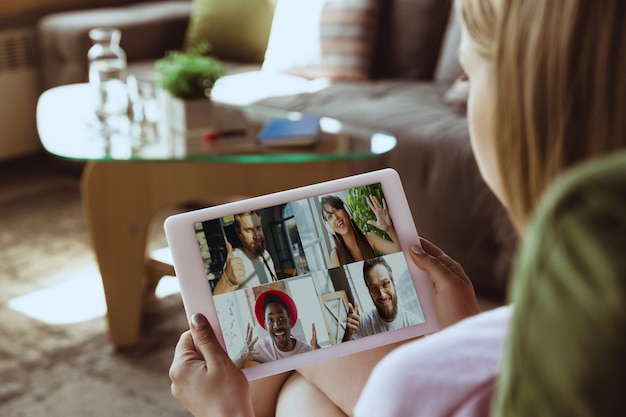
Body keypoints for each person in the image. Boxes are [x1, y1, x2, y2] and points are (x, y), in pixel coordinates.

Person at [169, 0, 626, 415]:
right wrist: (458, 339)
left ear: (526, 104)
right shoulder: (576, 328)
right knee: (300, 392)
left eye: (466, 73)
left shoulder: (408, 383)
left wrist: (226, 414)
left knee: (298, 386)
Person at [233, 290, 319, 368]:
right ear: (265, 326)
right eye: (270, 320)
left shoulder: (306, 351)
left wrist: (319, 351)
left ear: (289, 322)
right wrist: (241, 356)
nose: (277, 325)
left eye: (281, 318)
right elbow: (227, 373)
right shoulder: (258, 349)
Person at [343, 257, 421, 341]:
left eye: (385, 284)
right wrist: (348, 334)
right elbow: (343, 353)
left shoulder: (414, 323)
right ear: (369, 291)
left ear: (393, 283)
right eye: (374, 289)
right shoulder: (362, 324)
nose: (382, 295)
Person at [321, 194, 400, 267]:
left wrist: (389, 229)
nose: (335, 217)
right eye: (330, 217)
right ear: (329, 226)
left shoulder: (370, 239)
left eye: (336, 210)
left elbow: (399, 251)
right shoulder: (336, 256)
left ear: (347, 211)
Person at [213, 211, 277, 295]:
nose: (256, 236)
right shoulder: (235, 260)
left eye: (258, 228)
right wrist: (227, 280)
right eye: (249, 230)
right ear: (239, 233)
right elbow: (217, 302)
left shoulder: (266, 254)